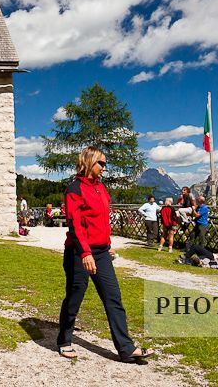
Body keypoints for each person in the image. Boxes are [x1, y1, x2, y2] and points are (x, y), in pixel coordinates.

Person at [57, 146, 152, 363]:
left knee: (113, 297)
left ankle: (126, 348)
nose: (104, 168)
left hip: (101, 252)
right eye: (101, 163)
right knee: (75, 297)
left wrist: (107, 245)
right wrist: (85, 253)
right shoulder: (74, 189)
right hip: (79, 253)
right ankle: (64, 340)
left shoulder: (101, 188)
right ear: (89, 162)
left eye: (105, 164)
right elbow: (76, 225)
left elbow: (101, 221)